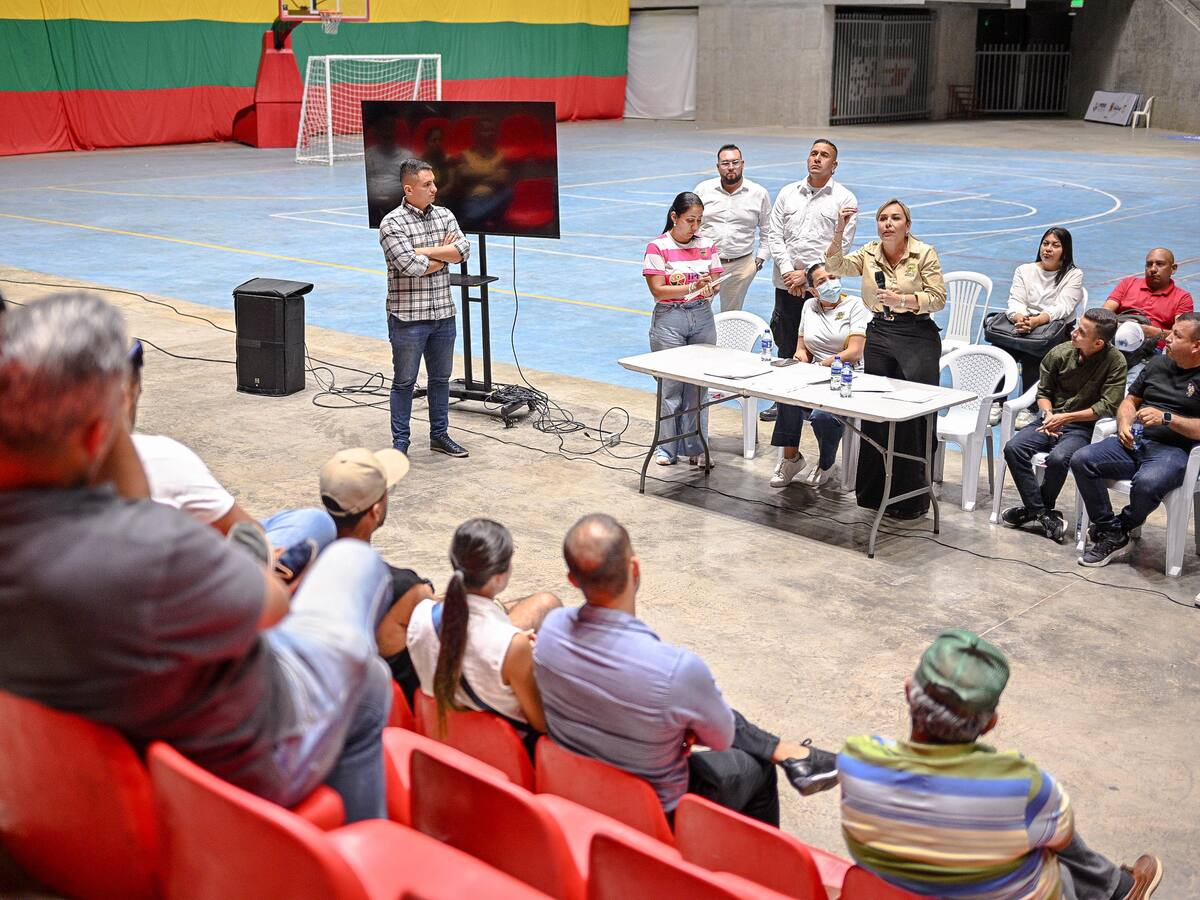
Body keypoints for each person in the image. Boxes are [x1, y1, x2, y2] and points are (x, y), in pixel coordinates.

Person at [0, 293, 393, 822]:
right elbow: (271, 604)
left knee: (361, 673)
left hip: (113, 730)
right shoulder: (152, 547)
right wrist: (252, 555)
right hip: (245, 743)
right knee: (356, 574)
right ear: (99, 431)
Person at [534, 514, 838, 826]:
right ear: (635, 568)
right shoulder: (674, 669)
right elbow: (721, 739)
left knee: (687, 701)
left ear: (571, 579)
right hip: (655, 812)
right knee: (756, 768)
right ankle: (756, 867)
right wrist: (681, 730)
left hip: (576, 787)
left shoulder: (550, 630)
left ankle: (788, 753)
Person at [839, 629, 1162, 899]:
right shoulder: (1023, 784)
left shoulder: (856, 759)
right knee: (1044, 848)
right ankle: (1117, 890)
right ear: (990, 723)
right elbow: (1063, 842)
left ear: (909, 692)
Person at [126, 339, 336, 556]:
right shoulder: (160, 459)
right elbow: (252, 536)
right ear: (129, 393)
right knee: (316, 523)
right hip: (209, 576)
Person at [825, 198, 946, 520]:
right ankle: (873, 494)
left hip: (917, 336)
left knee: (913, 418)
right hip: (879, 334)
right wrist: (839, 229)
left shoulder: (924, 254)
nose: (887, 223)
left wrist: (903, 299)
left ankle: (912, 499)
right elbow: (835, 267)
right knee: (877, 413)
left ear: (907, 224)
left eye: (895, 218)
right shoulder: (868, 252)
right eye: (882, 218)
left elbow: (938, 299)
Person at [407, 519, 558, 739]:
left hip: (442, 734)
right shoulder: (512, 646)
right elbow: (541, 723)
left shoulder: (420, 613)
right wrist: (516, 650)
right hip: (500, 750)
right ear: (498, 577)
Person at [1071, 312, 1200, 567]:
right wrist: (1124, 424)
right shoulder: (1157, 364)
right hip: (1135, 441)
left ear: (1196, 346)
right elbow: (1130, 400)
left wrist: (1167, 418)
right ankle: (1111, 530)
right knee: (1082, 459)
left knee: (1148, 484)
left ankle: (1121, 527)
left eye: (1176, 335)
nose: (1168, 339)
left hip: (1174, 450)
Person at [1000, 309, 1125, 543]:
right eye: (1077, 326)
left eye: (1081, 332)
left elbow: (1107, 406)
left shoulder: (1115, 362)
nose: (1073, 333)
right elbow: (1044, 392)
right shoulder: (1059, 353)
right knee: (1013, 448)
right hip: (1049, 419)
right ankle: (1042, 513)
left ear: (1098, 342)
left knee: (1059, 458)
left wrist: (1066, 418)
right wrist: (1048, 414)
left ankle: (1035, 511)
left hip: (1082, 426)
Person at [379, 157, 472, 459]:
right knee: (405, 381)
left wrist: (424, 251)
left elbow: (463, 250)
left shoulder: (444, 215)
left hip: (443, 314)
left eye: (433, 182)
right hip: (408, 319)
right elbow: (408, 266)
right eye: (427, 184)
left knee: (440, 380)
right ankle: (400, 444)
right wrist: (443, 256)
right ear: (409, 189)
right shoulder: (392, 223)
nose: (435, 188)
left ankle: (439, 436)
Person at [760, 138, 858, 422]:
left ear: (834, 165)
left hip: (820, 286)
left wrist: (808, 274)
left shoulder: (845, 199)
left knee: (820, 342)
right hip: (786, 283)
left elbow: (843, 245)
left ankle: (816, 402)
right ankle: (784, 402)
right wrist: (790, 271)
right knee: (786, 340)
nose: (817, 158)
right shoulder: (788, 193)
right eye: (813, 153)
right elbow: (775, 235)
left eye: (824, 155)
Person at [770, 262, 870, 488]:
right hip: (815, 374)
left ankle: (826, 463)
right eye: (822, 281)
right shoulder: (809, 306)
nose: (830, 283)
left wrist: (824, 364)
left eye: (833, 277)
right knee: (786, 398)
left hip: (847, 375)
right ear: (813, 290)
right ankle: (791, 459)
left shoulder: (856, 305)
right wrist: (799, 359)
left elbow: (854, 352)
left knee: (822, 417)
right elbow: (802, 348)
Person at [643, 192, 724, 466]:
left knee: (698, 387)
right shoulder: (657, 247)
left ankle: (696, 447)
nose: (695, 226)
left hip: (702, 316)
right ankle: (666, 448)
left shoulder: (707, 245)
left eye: (699, 221)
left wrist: (708, 284)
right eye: (690, 220)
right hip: (670, 319)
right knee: (671, 387)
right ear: (674, 217)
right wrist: (691, 287)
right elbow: (658, 291)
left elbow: (716, 282)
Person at [997, 227, 1086, 393]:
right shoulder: (1024, 270)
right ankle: (997, 401)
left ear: (1065, 250)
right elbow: (1015, 300)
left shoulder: (1074, 274)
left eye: (1055, 245)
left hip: (1054, 329)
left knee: (1034, 355)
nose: (1048, 249)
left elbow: (1063, 308)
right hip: (1022, 323)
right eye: (1045, 243)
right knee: (1000, 352)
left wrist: (1037, 321)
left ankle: (1029, 407)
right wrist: (1020, 318)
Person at [693, 144, 771, 312]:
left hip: (740, 266)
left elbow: (767, 229)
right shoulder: (703, 190)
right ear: (718, 166)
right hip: (705, 264)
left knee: (731, 315)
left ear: (742, 164)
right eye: (725, 163)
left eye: (735, 162)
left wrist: (760, 260)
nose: (730, 167)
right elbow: (692, 224)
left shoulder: (759, 193)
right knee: (696, 312)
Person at [1103, 248, 1193, 349]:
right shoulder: (1128, 283)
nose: (1153, 269)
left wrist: (1155, 332)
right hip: (1116, 340)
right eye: (1149, 264)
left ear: (1173, 268)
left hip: (1153, 350)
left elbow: (1182, 334)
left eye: (1160, 264)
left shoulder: (1183, 298)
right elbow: (1104, 313)